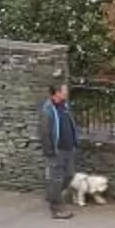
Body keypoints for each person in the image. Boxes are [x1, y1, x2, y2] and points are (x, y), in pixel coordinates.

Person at [42, 77, 81, 219]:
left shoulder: (64, 106)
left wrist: (75, 142)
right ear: (57, 92)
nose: (67, 93)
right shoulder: (48, 110)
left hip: (69, 148)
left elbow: (70, 124)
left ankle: (53, 195)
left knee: (69, 175)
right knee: (56, 179)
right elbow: (45, 132)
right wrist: (50, 151)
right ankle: (56, 209)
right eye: (64, 90)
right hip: (57, 150)